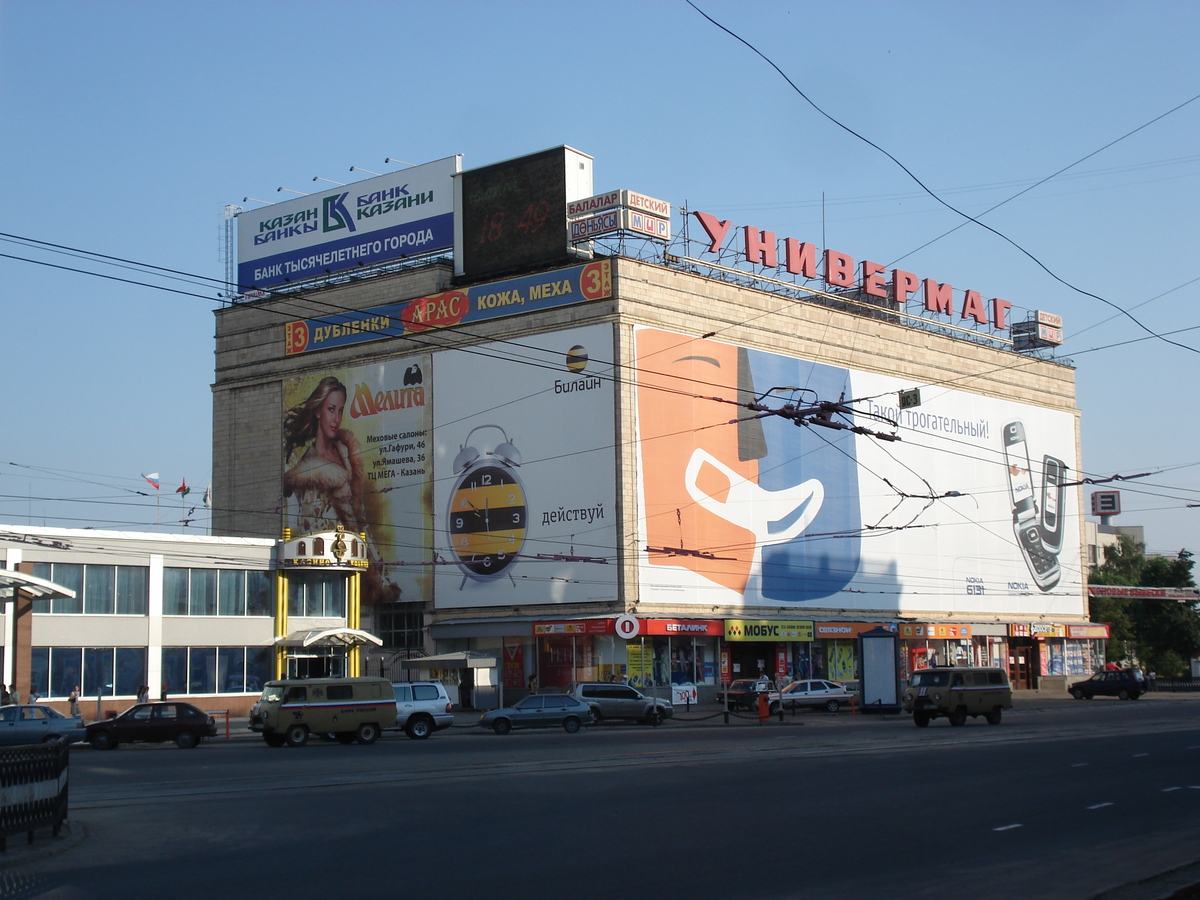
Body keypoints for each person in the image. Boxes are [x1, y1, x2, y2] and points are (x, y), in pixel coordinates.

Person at [282, 376, 400, 604]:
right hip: (330, 567)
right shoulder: (308, 470)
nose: (336, 419)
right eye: (331, 409)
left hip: (358, 559)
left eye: (340, 411)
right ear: (318, 411)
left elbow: (359, 518)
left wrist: (376, 566)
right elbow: (310, 526)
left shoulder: (345, 453)